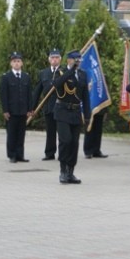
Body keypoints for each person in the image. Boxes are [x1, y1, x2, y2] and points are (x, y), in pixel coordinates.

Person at [53, 50, 90, 184]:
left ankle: (70, 171)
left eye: (79, 61)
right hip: (62, 111)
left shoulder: (82, 74)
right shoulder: (60, 72)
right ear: (69, 60)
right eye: (76, 60)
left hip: (75, 112)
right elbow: (56, 84)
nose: (78, 63)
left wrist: (87, 115)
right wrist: (71, 70)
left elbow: (85, 96)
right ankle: (62, 170)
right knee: (65, 141)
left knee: (74, 143)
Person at [0, 52, 32, 163]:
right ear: (11, 63)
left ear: (22, 63)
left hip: (23, 111)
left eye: (18, 61)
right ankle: (12, 155)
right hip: (11, 112)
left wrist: (29, 109)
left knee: (21, 134)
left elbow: (29, 95)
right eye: (14, 61)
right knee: (12, 134)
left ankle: (20, 155)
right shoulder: (6, 77)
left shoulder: (26, 77)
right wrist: (5, 110)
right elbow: (3, 95)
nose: (16, 63)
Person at [32, 49, 62, 161]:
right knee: (50, 132)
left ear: (60, 59)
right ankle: (49, 153)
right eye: (52, 58)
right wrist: (32, 108)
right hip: (49, 107)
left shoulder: (63, 71)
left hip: (61, 107)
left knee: (62, 133)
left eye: (57, 58)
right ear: (49, 60)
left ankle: (62, 154)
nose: (54, 60)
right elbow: (37, 91)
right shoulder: (43, 73)